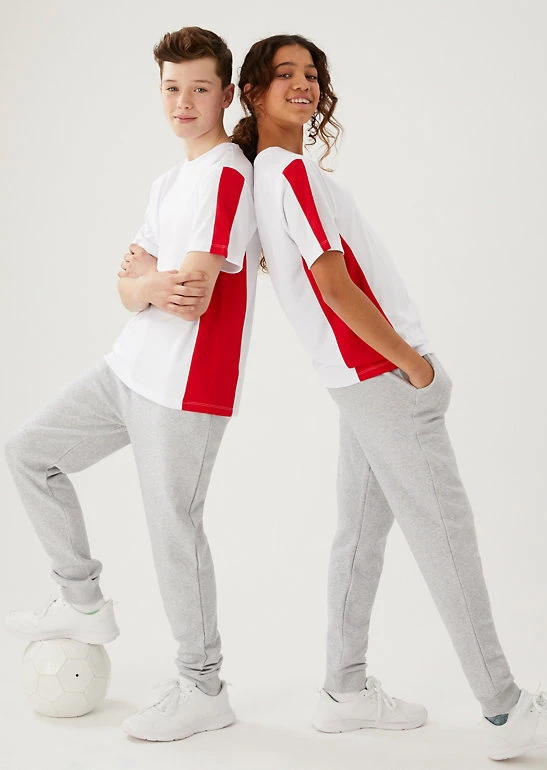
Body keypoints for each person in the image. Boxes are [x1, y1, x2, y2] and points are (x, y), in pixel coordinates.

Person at [231, 33, 547, 761]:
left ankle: (344, 691)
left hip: (354, 381)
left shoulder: (267, 175)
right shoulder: (289, 174)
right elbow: (335, 287)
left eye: (312, 74)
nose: (303, 84)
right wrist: (415, 366)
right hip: (383, 378)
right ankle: (504, 711)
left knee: (359, 535)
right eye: (285, 74)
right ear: (253, 92)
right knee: (446, 535)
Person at [4, 26, 260, 742]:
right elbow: (131, 288)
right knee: (28, 453)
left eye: (199, 88)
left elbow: (193, 296)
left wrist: (147, 281)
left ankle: (203, 687)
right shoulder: (168, 183)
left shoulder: (227, 175)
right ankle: (81, 600)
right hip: (127, 369)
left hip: (185, 386)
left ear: (226, 94)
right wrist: (148, 283)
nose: (183, 102)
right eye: (172, 88)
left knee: (173, 529)